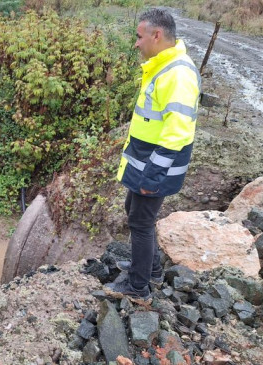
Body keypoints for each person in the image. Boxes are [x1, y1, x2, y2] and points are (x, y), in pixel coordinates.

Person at [106, 8, 201, 300]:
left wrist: (155, 174)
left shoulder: (178, 74)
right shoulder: (163, 66)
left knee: (141, 222)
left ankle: (137, 287)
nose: (136, 43)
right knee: (132, 212)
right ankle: (151, 270)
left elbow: (178, 131)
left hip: (155, 166)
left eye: (139, 36)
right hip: (144, 161)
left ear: (156, 35)